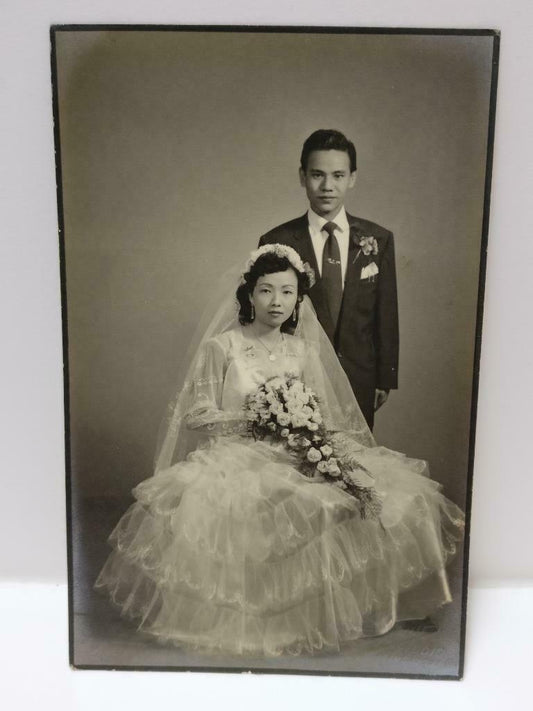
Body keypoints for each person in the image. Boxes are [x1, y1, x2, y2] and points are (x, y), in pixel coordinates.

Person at [95, 244, 463, 657]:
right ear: (249, 295)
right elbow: (197, 416)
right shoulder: (223, 347)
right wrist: (258, 419)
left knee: (382, 495)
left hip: (297, 451)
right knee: (294, 506)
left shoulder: (303, 351)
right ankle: (268, 622)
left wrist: (326, 445)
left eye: (287, 292)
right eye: (267, 291)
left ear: (298, 300)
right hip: (237, 457)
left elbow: (323, 414)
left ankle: (348, 612)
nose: (277, 302)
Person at [259, 129, 398, 429]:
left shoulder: (377, 239)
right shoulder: (277, 240)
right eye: (317, 175)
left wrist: (385, 377)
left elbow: (385, 311)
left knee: (353, 466)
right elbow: (264, 317)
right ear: (302, 176)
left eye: (337, 175)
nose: (327, 186)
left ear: (352, 178)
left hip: (359, 376)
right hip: (295, 379)